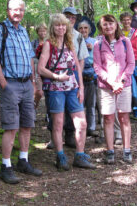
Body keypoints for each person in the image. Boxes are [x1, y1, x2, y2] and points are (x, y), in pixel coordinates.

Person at [0, 0, 42, 184]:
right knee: (11, 127)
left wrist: (33, 83)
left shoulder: (24, 32)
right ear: (8, 10)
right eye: (14, 9)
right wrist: (3, 83)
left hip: (26, 84)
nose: (18, 13)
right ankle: (5, 166)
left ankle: (23, 161)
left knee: (27, 124)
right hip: (10, 84)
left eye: (21, 9)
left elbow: (29, 58)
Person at [38, 13, 95, 170]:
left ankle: (79, 155)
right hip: (56, 89)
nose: (61, 28)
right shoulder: (49, 44)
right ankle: (60, 156)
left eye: (63, 25)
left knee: (81, 123)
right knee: (58, 123)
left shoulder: (70, 42)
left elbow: (77, 66)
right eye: (57, 25)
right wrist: (56, 76)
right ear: (52, 27)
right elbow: (40, 68)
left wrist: (81, 88)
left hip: (73, 88)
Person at [94, 14, 135, 164]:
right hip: (106, 86)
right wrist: (112, 82)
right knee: (108, 117)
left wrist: (121, 81)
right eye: (105, 25)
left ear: (116, 25)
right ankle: (110, 150)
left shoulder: (125, 42)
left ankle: (127, 150)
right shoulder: (98, 44)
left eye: (110, 24)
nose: (108, 27)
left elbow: (131, 64)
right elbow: (97, 67)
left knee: (124, 117)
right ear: (101, 27)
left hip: (124, 85)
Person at [46, 7, 89, 148]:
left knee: (75, 111)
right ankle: (55, 139)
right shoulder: (50, 39)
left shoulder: (78, 36)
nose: (70, 20)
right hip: (55, 79)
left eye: (73, 18)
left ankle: (70, 136)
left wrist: (78, 77)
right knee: (56, 112)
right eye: (68, 17)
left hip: (73, 76)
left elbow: (81, 59)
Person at [120, 12, 137, 118]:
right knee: (124, 85)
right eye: (124, 20)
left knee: (135, 85)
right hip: (121, 63)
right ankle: (125, 108)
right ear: (121, 21)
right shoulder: (118, 33)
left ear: (131, 20)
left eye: (128, 19)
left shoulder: (136, 33)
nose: (126, 22)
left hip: (134, 62)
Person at [77, 19, 99, 137]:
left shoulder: (95, 42)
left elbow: (99, 59)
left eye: (85, 28)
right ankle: (80, 127)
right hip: (78, 74)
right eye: (81, 28)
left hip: (91, 75)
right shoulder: (75, 41)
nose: (83, 30)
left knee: (91, 104)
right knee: (78, 104)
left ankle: (91, 127)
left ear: (89, 30)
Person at [31, 23, 48, 109]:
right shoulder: (34, 43)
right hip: (37, 67)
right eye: (40, 31)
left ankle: (48, 114)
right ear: (37, 32)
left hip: (47, 68)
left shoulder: (49, 42)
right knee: (38, 91)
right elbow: (31, 57)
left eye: (44, 31)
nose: (42, 33)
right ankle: (34, 107)